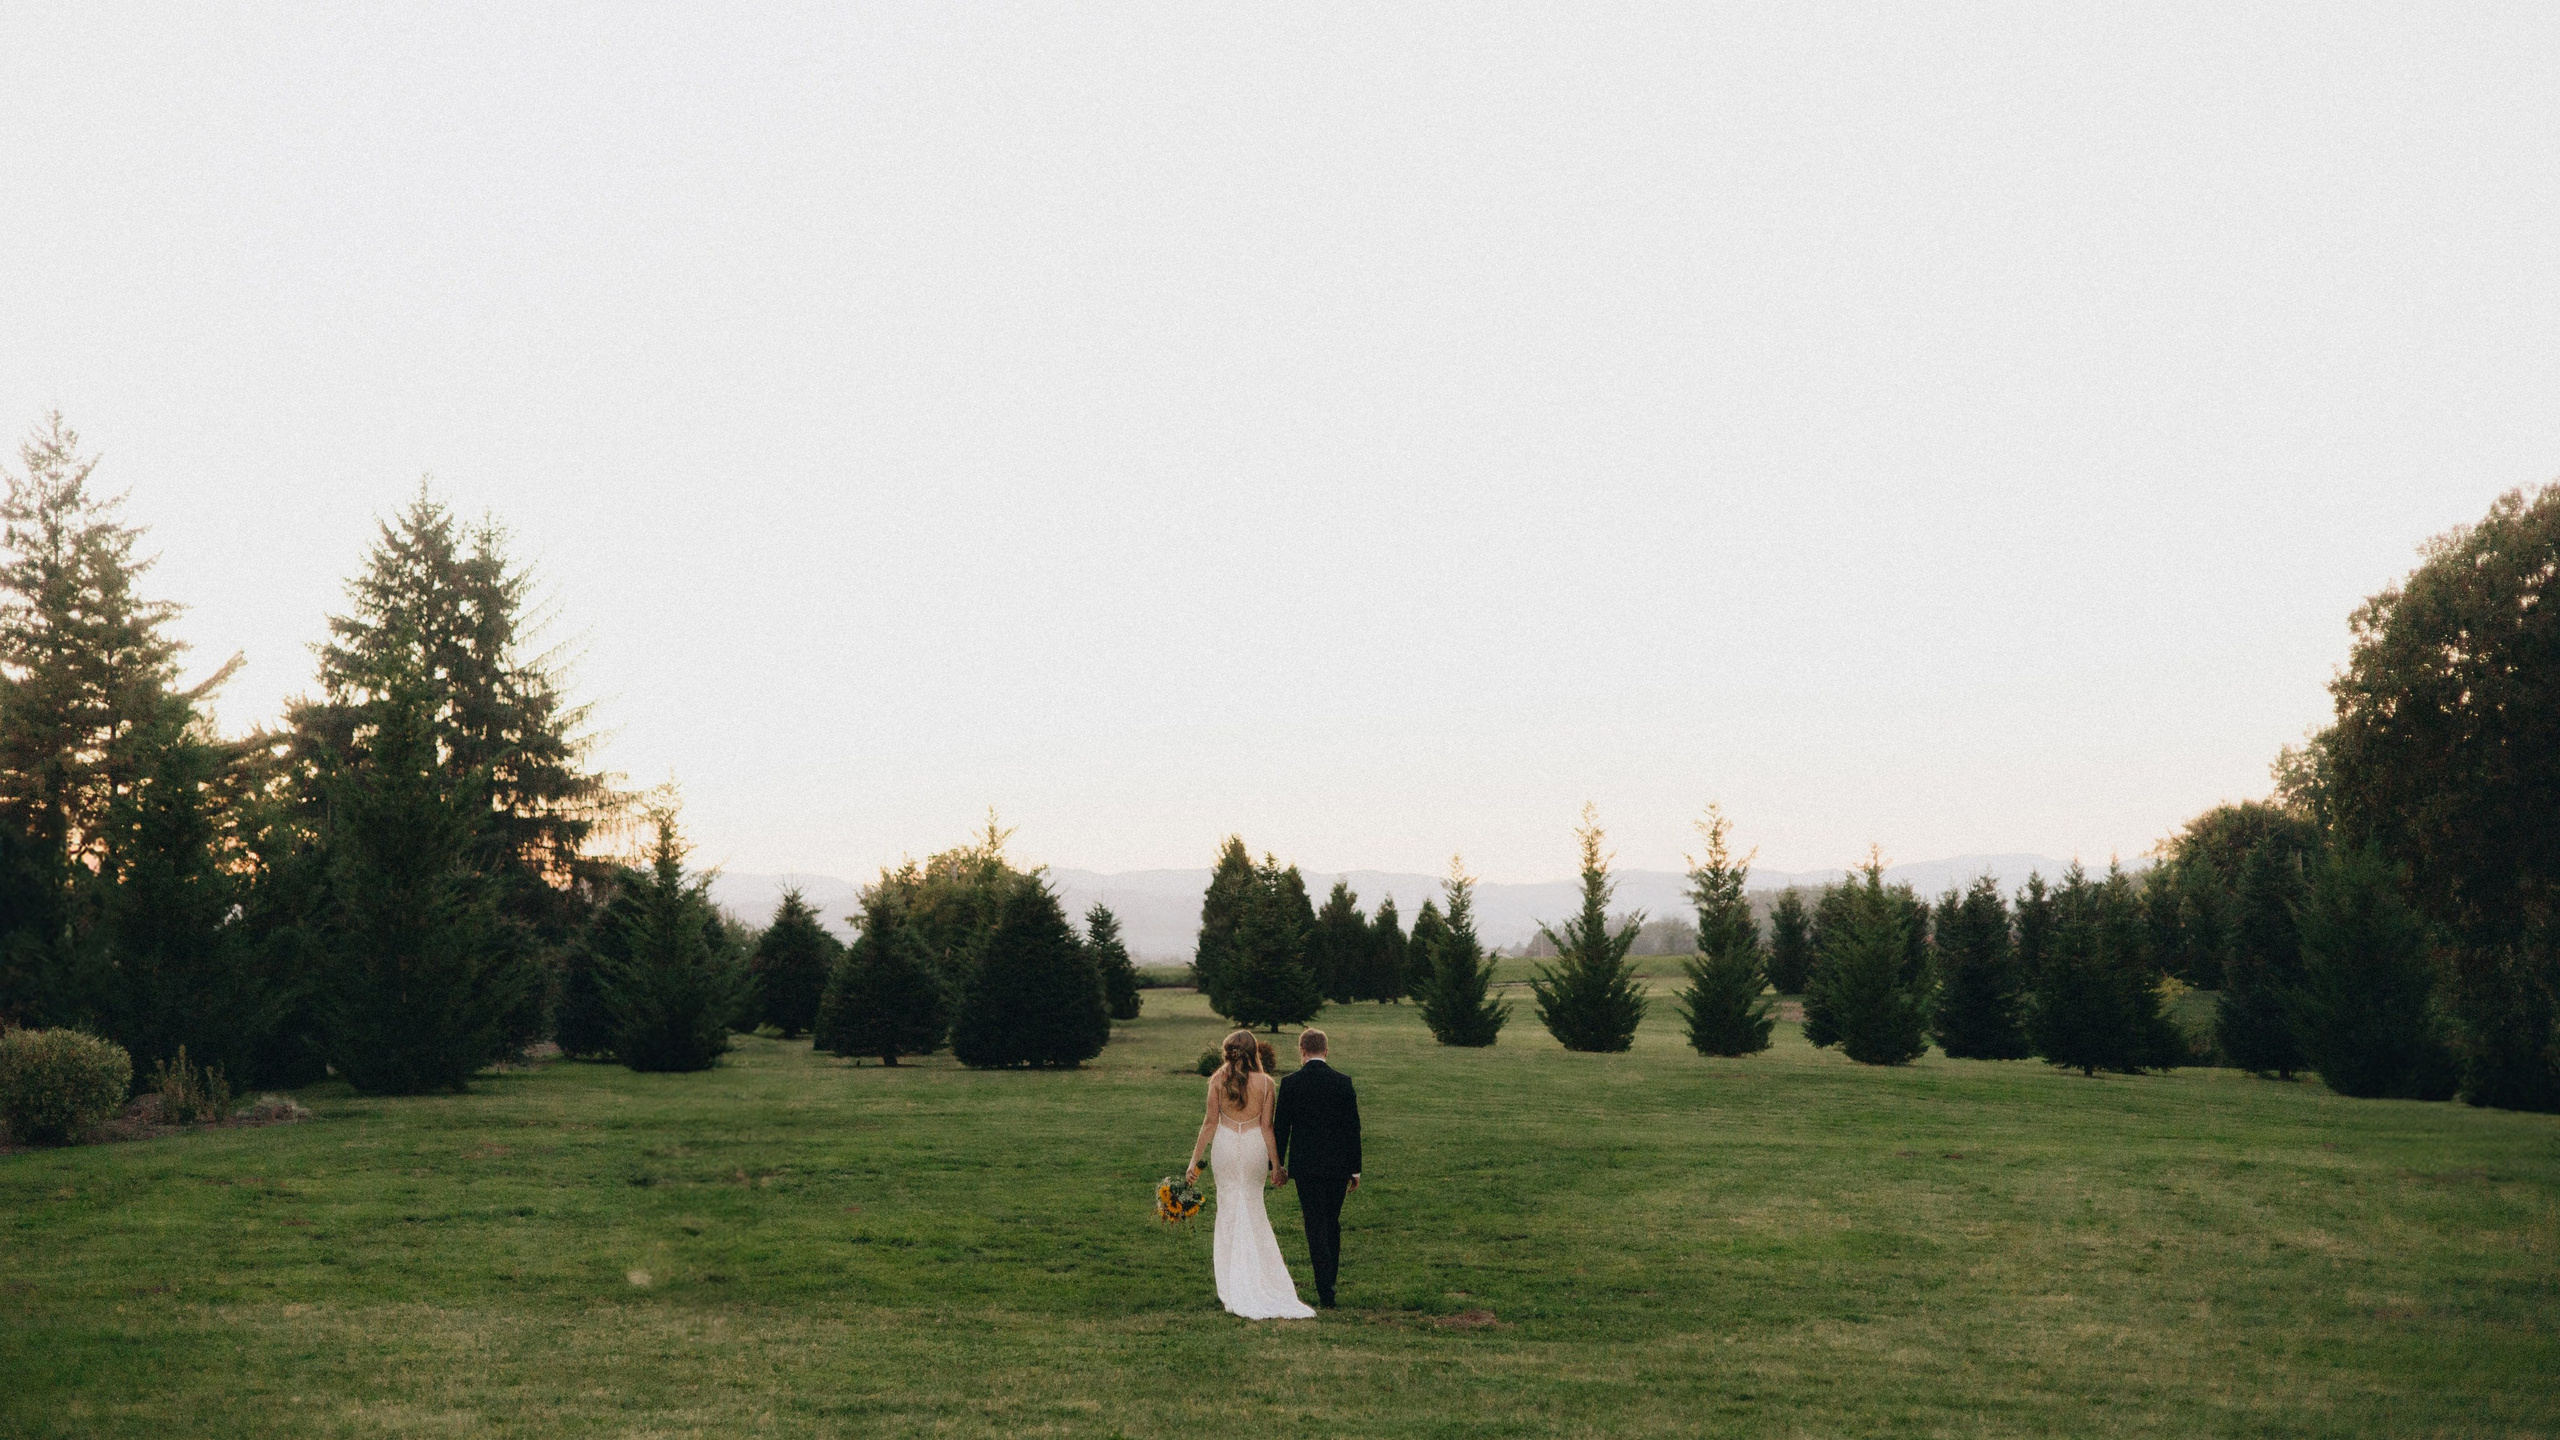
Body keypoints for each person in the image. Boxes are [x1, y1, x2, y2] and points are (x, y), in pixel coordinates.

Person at [1185, 1029, 1315, 1320]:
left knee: (1229, 1209)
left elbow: (1209, 1124)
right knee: (1254, 1208)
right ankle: (1260, 1279)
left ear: (1228, 1051)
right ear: (1255, 1051)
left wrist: (1193, 1163)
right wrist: (1277, 1166)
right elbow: (1268, 1128)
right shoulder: (1266, 1083)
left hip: (1226, 1146)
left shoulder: (1218, 1080)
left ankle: (1231, 1284)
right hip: (1255, 1146)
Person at [1272, 1026, 1361, 1309]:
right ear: (1326, 1050)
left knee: (1315, 1224)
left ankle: (1325, 1288)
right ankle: (1329, 1283)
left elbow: (1281, 1129)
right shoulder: (1343, 1082)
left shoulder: (1291, 1084)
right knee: (1331, 1223)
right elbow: (1352, 1129)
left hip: (1306, 1167)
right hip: (1338, 1167)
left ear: (1301, 1051)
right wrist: (1355, 1169)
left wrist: (1278, 1165)